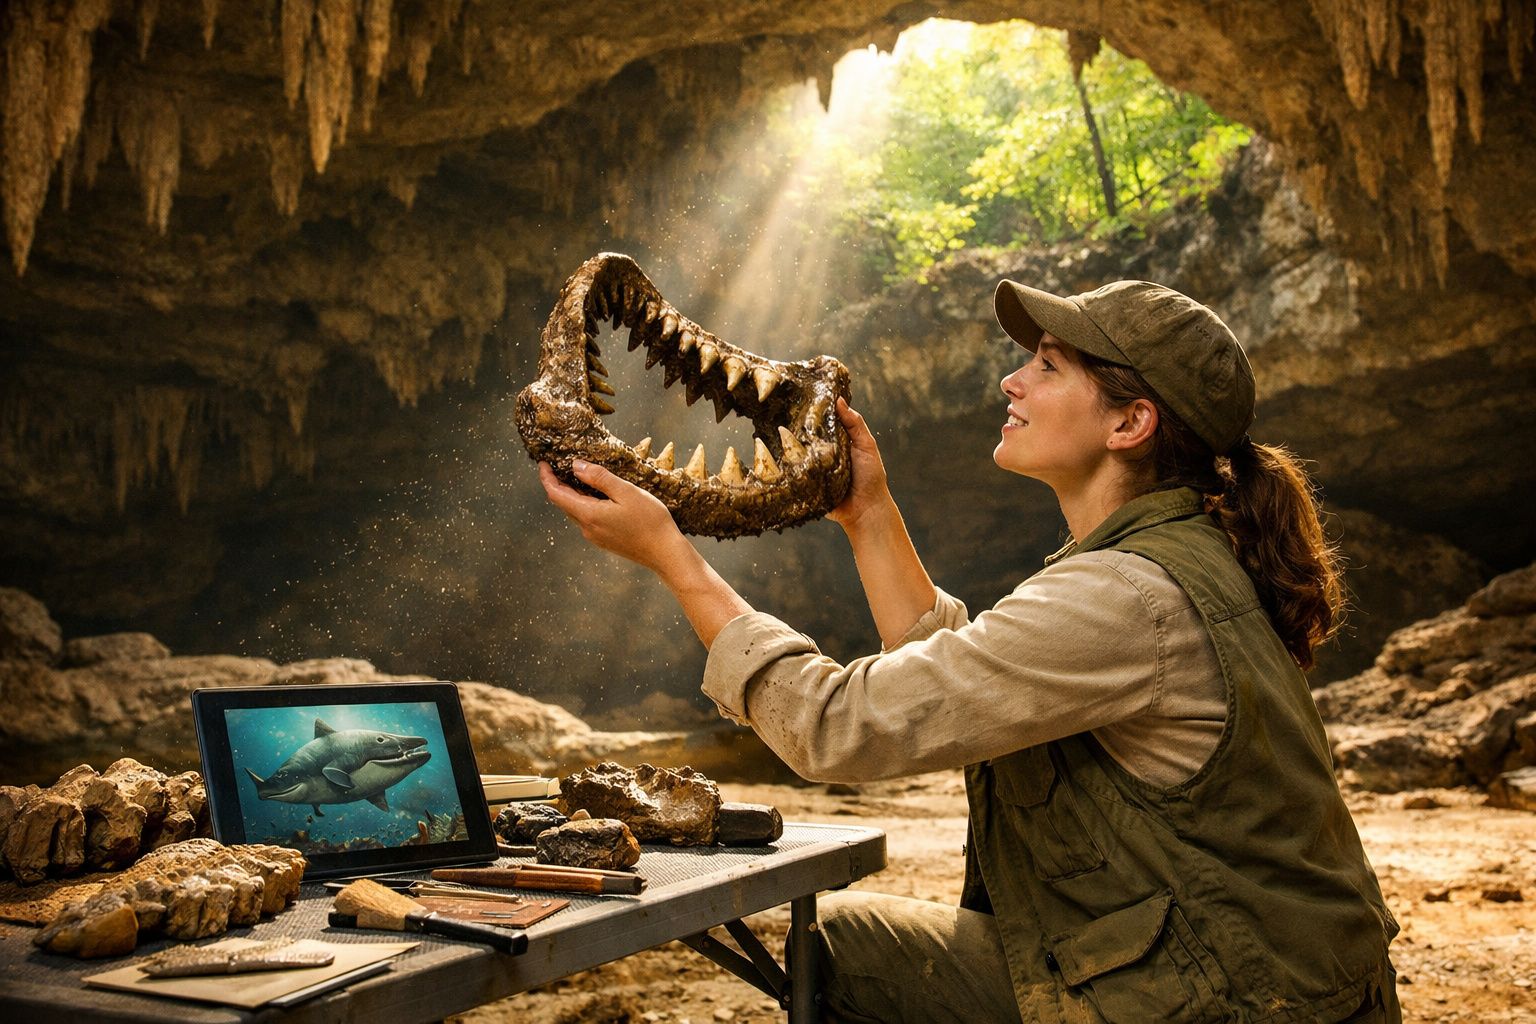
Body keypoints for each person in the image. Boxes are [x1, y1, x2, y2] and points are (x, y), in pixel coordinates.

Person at [539, 278, 1401, 1023]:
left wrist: (674, 561)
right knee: (859, 940)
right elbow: (969, 675)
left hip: (1230, 999)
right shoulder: (1158, 564)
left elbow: (838, 728)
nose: (1011, 378)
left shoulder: (1127, 596)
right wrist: (867, 510)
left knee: (839, 948)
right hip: (1290, 985)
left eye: (1049, 366)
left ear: (1132, 421)